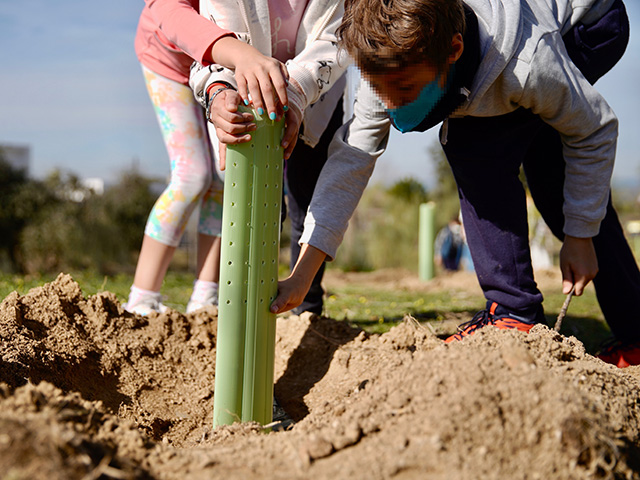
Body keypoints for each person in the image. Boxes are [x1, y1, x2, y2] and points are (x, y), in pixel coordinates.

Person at [268, 0, 640, 367]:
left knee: (485, 150)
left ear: (453, 50)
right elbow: (352, 160)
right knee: (530, 161)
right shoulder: (385, 64)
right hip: (503, 47)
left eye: (405, 90)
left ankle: (515, 315)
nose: (392, 105)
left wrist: (580, 235)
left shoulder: (529, 63)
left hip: (591, 23)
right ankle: (614, 330)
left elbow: (594, 129)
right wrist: (303, 275)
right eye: (381, 91)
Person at [127, 0, 291, 315]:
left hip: (226, 71)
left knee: (223, 173)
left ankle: (206, 296)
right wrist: (241, 54)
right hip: (170, 64)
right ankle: (142, 299)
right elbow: (171, 12)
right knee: (192, 175)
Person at [190, 0, 349, 315]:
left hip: (318, 90)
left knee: (309, 196)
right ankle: (246, 308)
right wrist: (219, 89)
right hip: (244, 93)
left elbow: (338, 35)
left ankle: (307, 306)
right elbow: (213, 32)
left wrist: (295, 93)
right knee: (257, 202)